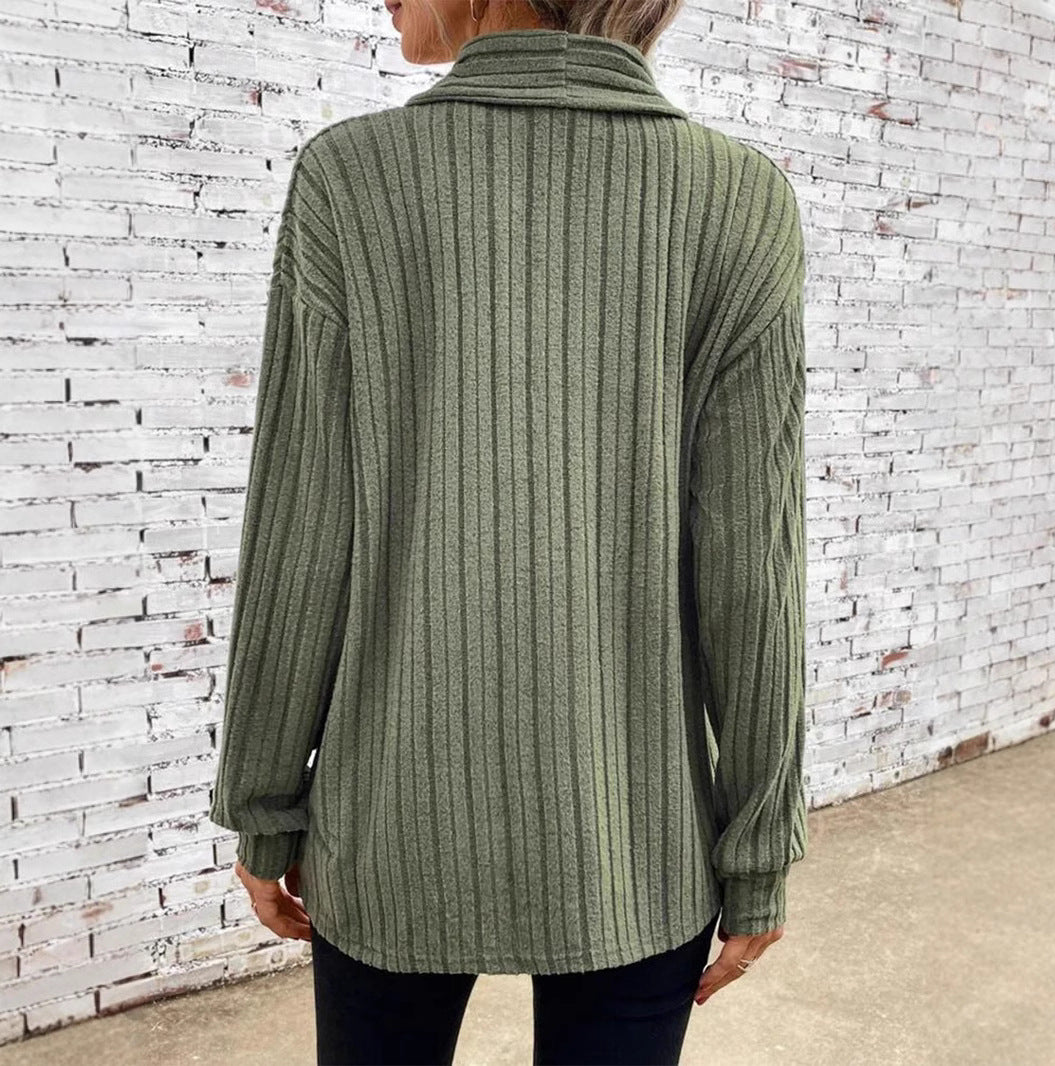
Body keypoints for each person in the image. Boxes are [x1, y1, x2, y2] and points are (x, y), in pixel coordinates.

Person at [208, 0, 810, 1062]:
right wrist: (757, 849)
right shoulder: (738, 199)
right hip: (634, 839)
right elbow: (751, 566)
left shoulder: (353, 180)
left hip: (391, 823)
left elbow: (302, 531)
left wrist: (265, 801)